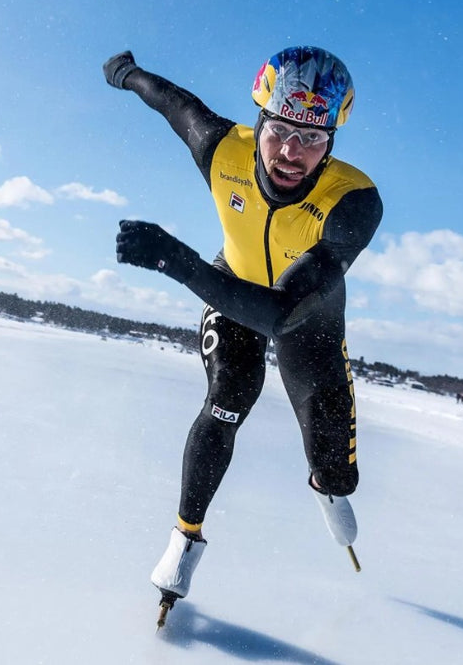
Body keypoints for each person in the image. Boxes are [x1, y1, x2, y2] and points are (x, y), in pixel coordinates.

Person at [103, 46, 384, 619]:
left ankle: (328, 484)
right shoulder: (219, 146)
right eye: (280, 130)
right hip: (230, 288)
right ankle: (184, 540)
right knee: (230, 395)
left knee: (336, 467)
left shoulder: (353, 202)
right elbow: (173, 103)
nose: (291, 153)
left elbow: (282, 314)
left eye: (312, 139)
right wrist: (128, 75)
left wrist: (176, 262)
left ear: (331, 144)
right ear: (258, 122)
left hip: (308, 320)